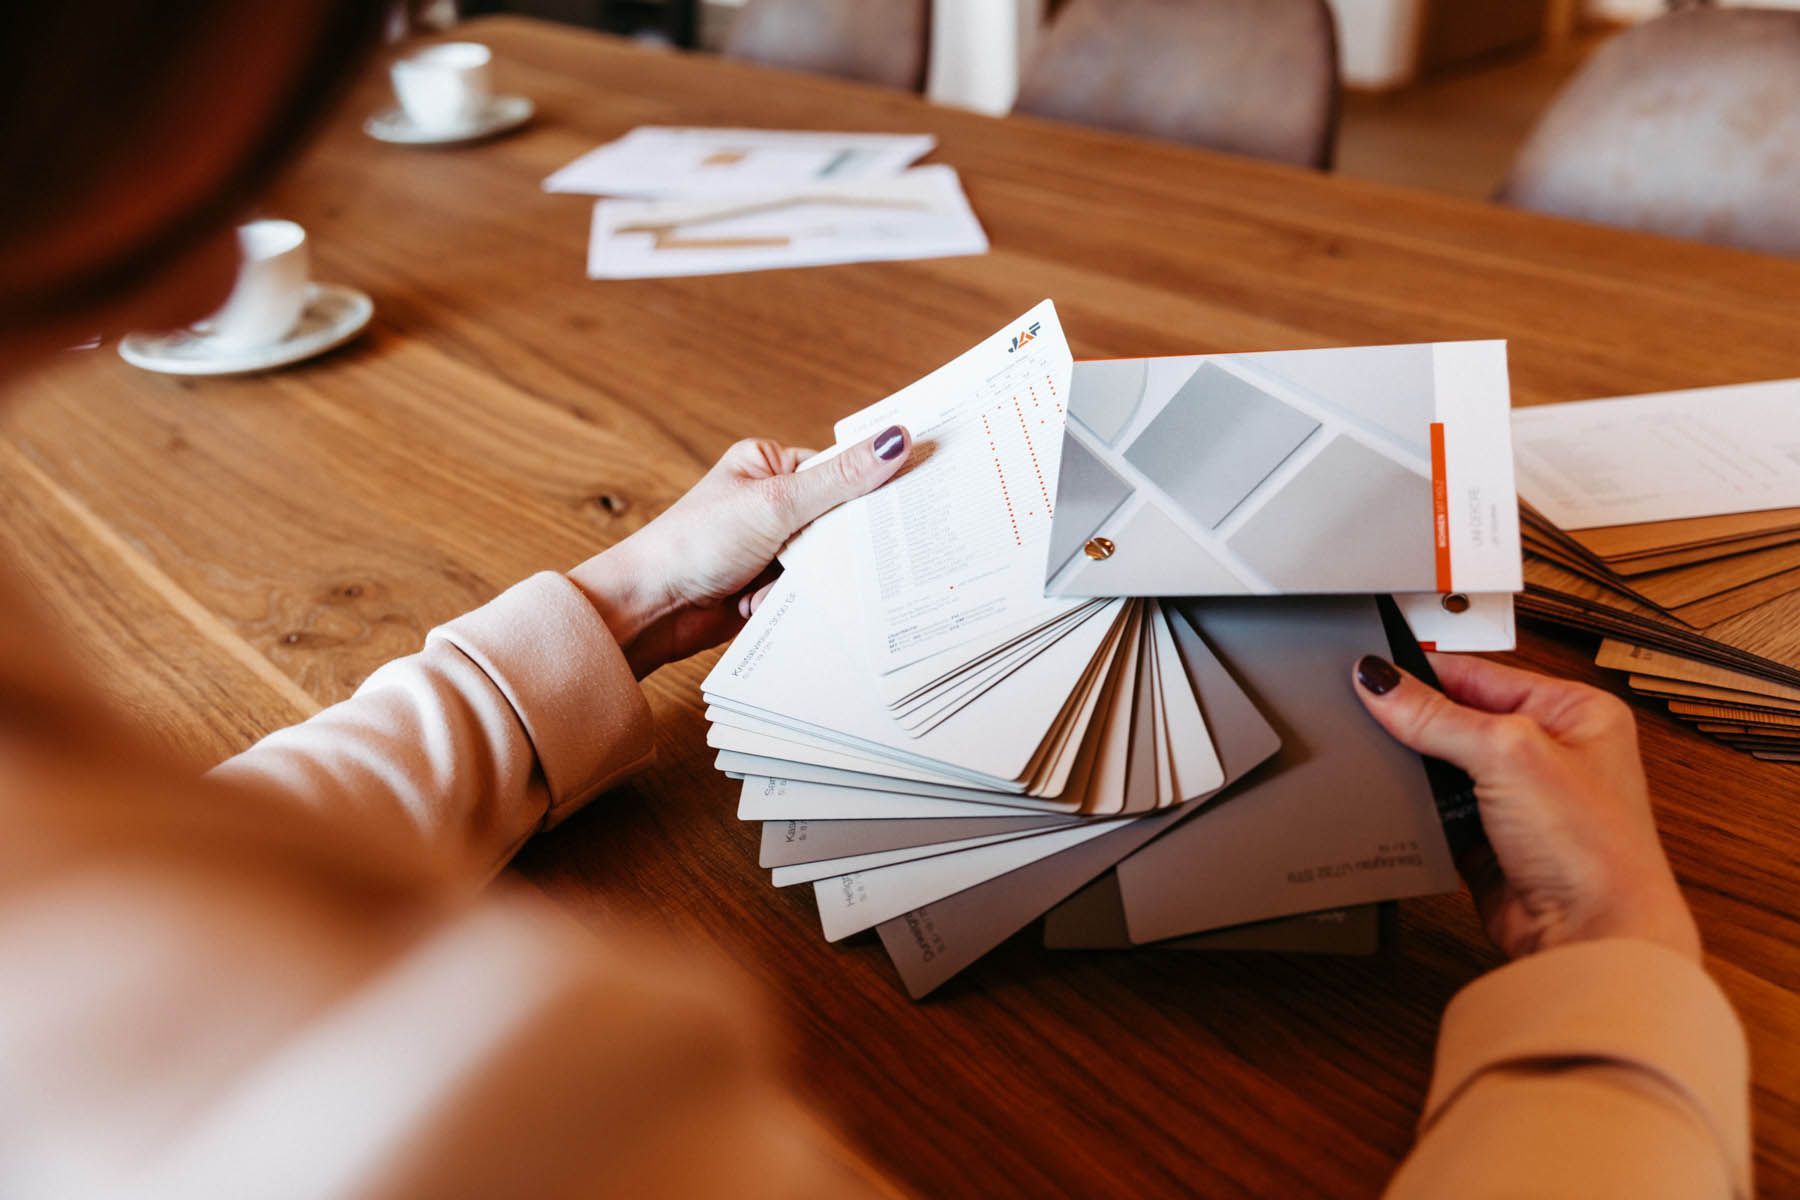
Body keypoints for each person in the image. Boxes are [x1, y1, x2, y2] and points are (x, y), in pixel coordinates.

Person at [0, 2, 1748, 1197]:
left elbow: (176, 872)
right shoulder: (397, 1098)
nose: (234, 253)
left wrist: (602, 618)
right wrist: (1614, 981)